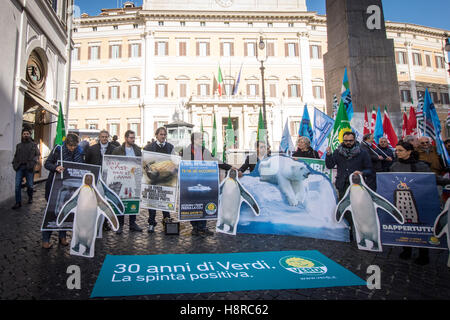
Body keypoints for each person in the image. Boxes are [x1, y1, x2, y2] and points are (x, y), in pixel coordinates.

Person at [179, 132, 237, 236]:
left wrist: (230, 167)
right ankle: (195, 227)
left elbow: (216, 161)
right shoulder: (185, 151)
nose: (202, 140)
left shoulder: (204, 151)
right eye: (200, 138)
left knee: (204, 202)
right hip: (190, 182)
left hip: (204, 181)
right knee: (193, 203)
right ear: (194, 140)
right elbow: (180, 165)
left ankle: (202, 227)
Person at [390, 140, 433, 265]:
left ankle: (423, 254)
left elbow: (431, 179)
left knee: (420, 227)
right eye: (396, 150)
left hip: (419, 200)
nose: (397, 152)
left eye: (400, 150)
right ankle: (406, 250)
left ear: (409, 152)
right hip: (401, 201)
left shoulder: (421, 166)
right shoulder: (394, 166)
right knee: (405, 226)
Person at [325, 131, 373, 241]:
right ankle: (349, 231)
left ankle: (360, 231)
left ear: (355, 140)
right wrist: (328, 155)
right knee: (345, 208)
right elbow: (330, 165)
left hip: (357, 185)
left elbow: (370, 169)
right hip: (342, 184)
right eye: (345, 141)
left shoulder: (363, 152)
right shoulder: (337, 152)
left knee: (358, 209)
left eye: (350, 141)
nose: (348, 143)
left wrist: (362, 173)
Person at [42, 133, 84, 249]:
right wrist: (56, 167)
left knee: (67, 211)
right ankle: (46, 239)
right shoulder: (58, 149)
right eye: (71, 146)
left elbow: (81, 166)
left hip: (71, 187)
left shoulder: (79, 151)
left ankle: (62, 237)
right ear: (66, 143)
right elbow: (47, 164)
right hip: (55, 186)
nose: (72, 148)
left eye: (75, 146)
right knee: (52, 212)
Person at [143, 127, 175, 233]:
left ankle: (167, 223)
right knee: (152, 202)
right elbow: (145, 162)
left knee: (166, 202)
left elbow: (174, 162)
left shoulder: (171, 147)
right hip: (153, 179)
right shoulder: (148, 147)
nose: (163, 136)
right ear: (156, 135)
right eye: (161, 134)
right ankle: (151, 223)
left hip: (166, 179)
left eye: (165, 134)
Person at [112, 130, 143, 233]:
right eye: (131, 138)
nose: (133, 139)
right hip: (121, 179)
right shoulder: (117, 150)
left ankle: (132, 223)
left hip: (134, 179)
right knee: (121, 200)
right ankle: (120, 224)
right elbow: (113, 163)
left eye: (134, 138)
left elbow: (141, 162)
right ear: (126, 138)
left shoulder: (138, 150)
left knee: (133, 200)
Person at [11, 128, 40, 209]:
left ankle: (30, 197)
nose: (26, 135)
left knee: (30, 185)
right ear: (22, 135)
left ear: (29, 135)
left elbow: (37, 155)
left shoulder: (34, 145)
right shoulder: (19, 145)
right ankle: (18, 202)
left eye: (27, 134)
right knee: (17, 186)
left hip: (29, 168)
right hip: (19, 167)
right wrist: (14, 164)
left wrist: (33, 163)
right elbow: (16, 156)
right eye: (24, 134)